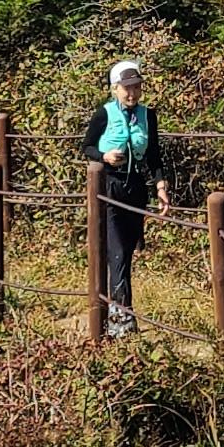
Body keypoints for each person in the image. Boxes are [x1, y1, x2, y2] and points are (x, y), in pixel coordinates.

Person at [84, 57, 167, 336]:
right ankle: (122, 320)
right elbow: (86, 147)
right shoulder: (104, 114)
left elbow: (154, 153)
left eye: (136, 87)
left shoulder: (148, 115)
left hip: (136, 188)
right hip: (109, 186)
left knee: (127, 252)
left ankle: (118, 313)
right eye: (126, 88)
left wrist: (160, 186)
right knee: (117, 251)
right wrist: (105, 157)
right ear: (114, 89)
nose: (132, 93)